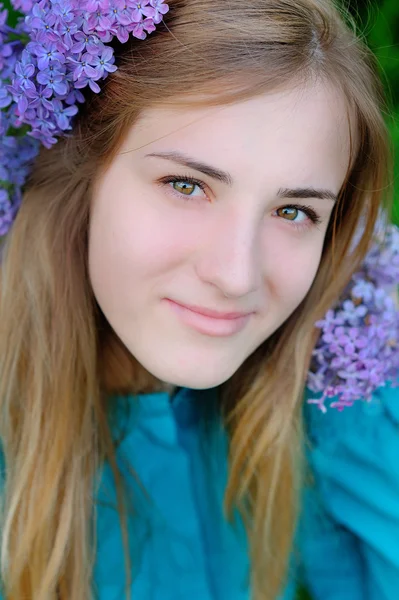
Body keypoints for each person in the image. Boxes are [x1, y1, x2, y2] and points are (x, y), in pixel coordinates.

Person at [0, 1, 397, 599]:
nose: (236, 274)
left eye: (294, 211)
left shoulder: (335, 405)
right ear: (81, 174)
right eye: (186, 185)